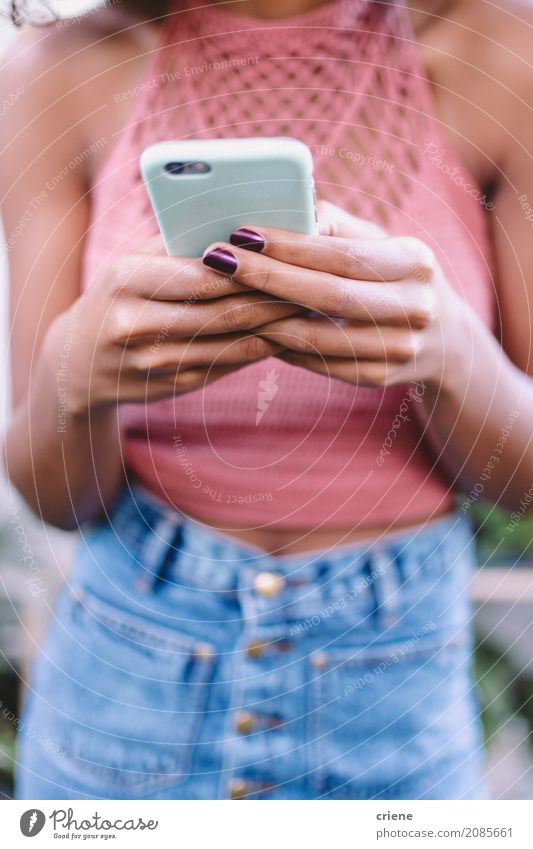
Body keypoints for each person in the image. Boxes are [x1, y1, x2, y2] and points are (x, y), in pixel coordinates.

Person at [2, 0, 532, 800]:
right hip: (124, 673)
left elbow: (522, 484)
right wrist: (79, 379)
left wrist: (450, 353)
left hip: (392, 688)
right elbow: (55, 500)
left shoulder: (503, 54)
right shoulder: (58, 69)